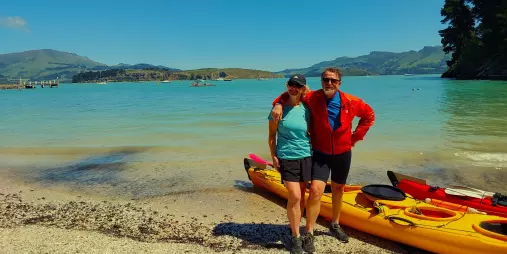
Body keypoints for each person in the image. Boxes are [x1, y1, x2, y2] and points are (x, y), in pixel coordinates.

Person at [271, 67, 375, 250]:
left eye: (333, 80)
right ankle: (309, 232)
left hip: (343, 152)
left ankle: (335, 223)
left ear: (339, 83)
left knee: (339, 189)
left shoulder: (351, 101)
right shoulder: (312, 97)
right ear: (321, 81)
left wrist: (355, 138)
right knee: (316, 191)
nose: (329, 83)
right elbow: (291, 93)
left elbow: (369, 116)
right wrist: (278, 104)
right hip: (320, 153)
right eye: (326, 80)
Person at [268, 74, 311, 254]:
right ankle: (295, 236)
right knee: (295, 196)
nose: (293, 88)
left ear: (303, 89)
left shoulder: (308, 108)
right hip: (287, 156)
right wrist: (274, 156)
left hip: (307, 155)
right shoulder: (277, 110)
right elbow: (271, 136)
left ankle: (297, 228)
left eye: (297, 85)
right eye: (290, 84)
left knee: (302, 195)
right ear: (287, 86)